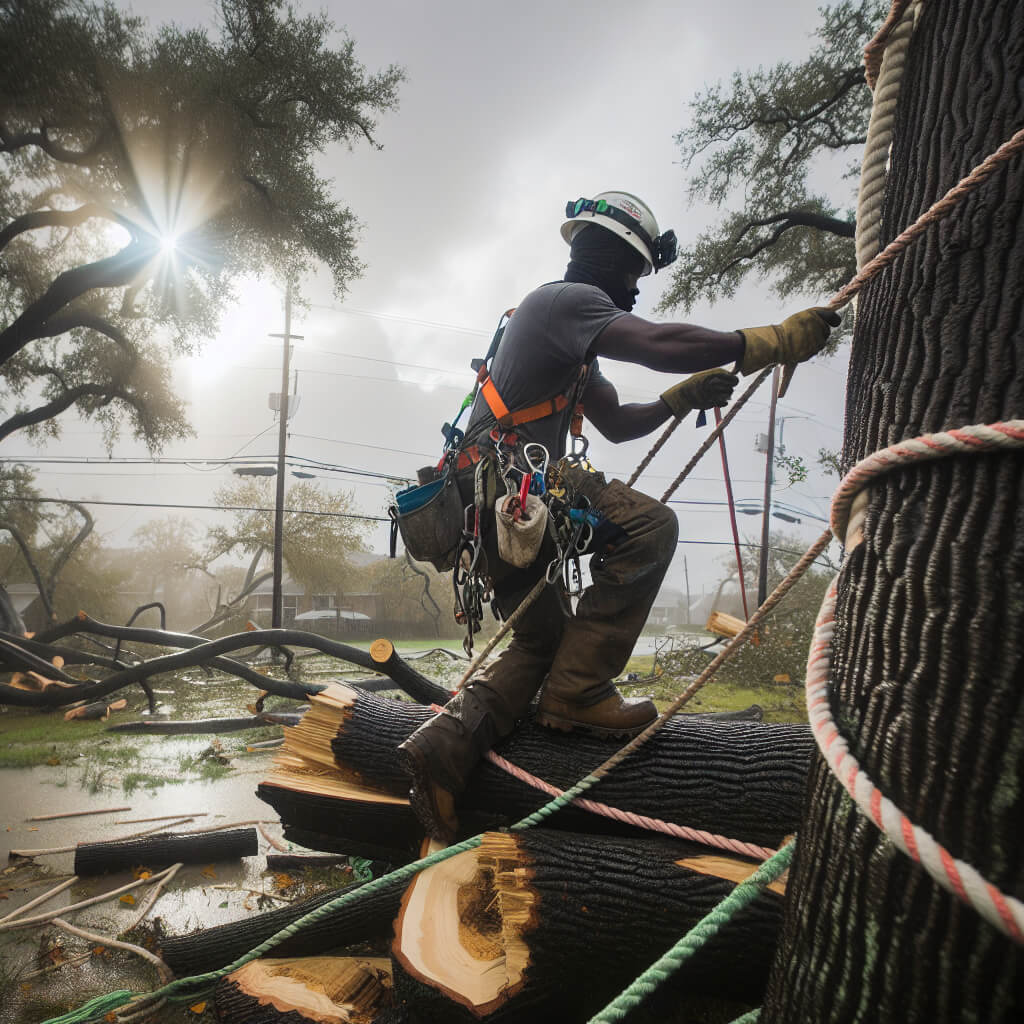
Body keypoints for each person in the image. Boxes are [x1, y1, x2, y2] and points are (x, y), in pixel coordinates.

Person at [397, 190, 840, 841]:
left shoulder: (568, 338)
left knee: (542, 638)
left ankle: (442, 750)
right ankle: (579, 692)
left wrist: (675, 400)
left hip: (510, 523)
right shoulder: (565, 303)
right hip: (523, 503)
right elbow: (657, 341)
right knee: (649, 527)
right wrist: (762, 342)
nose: (634, 291)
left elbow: (617, 423)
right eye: (634, 273)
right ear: (609, 258)